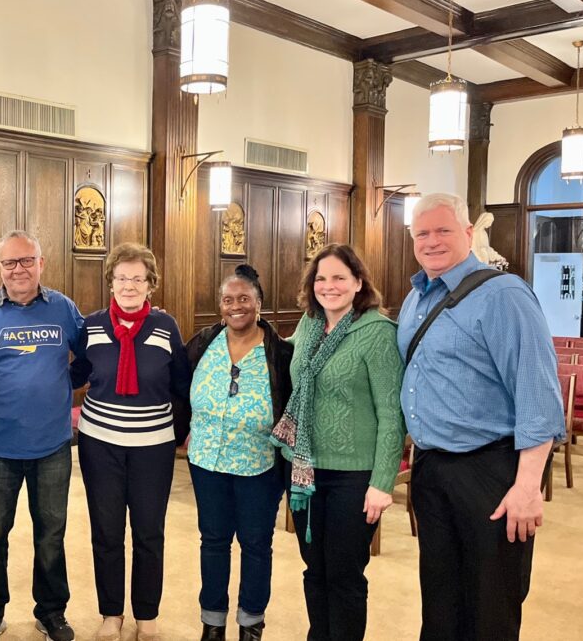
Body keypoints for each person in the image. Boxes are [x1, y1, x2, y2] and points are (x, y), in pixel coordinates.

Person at [397, 193, 564, 641]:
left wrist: (528, 487)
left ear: (469, 233)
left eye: (443, 230)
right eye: (422, 233)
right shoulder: (415, 298)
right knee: (440, 598)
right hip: (431, 468)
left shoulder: (504, 295)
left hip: (490, 470)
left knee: (491, 603)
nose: (432, 241)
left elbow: (539, 395)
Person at [269, 244, 404, 641]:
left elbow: (391, 415)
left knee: (344, 574)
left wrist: (382, 482)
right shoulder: (309, 326)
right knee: (314, 568)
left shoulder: (378, 333)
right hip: (306, 468)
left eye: (340, 278)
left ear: (358, 283)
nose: (329, 286)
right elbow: (282, 363)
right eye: (321, 279)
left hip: (355, 475)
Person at [0, 230, 87, 641]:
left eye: (26, 260)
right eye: (10, 263)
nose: (19, 270)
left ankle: (51, 612)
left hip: (52, 446)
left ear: (41, 263)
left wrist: (62, 384)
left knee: (51, 535)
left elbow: (87, 356)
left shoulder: (64, 309)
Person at [74, 243, 192, 641]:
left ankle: (146, 614)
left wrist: (180, 433)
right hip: (99, 444)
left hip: (153, 448)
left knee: (148, 532)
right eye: (121, 278)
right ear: (111, 281)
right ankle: (111, 614)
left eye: (137, 278)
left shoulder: (166, 327)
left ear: (150, 284)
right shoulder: (90, 327)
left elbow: (182, 384)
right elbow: (74, 374)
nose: (128, 285)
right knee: (106, 532)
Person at [182, 264, 293, 641]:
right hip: (206, 462)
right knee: (213, 541)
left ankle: (250, 624)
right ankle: (212, 622)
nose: (235, 306)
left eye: (244, 299)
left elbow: (292, 404)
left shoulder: (280, 353)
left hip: (258, 466)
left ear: (259, 303)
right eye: (228, 300)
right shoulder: (203, 342)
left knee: (256, 544)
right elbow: (179, 388)